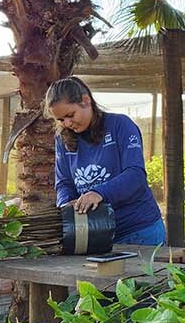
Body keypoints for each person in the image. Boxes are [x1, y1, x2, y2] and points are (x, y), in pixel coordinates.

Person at [45, 77, 166, 246]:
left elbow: (135, 174)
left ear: (86, 100)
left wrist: (99, 193)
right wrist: (66, 203)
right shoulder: (62, 139)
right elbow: (64, 182)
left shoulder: (121, 125)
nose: (67, 123)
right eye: (60, 120)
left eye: (70, 115)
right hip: (94, 233)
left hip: (139, 231)